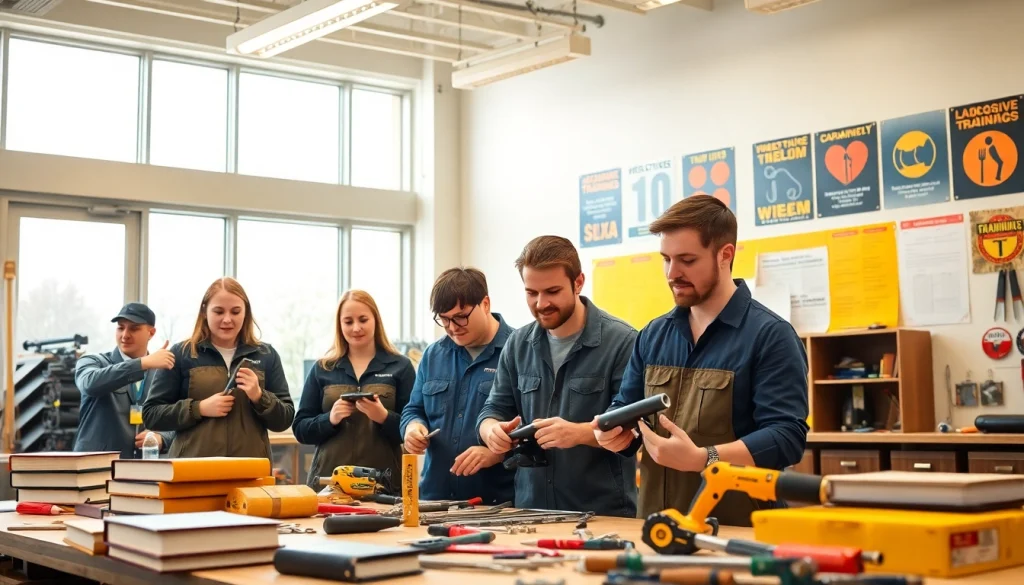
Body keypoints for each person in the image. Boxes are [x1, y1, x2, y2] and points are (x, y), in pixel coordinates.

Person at [592, 194, 809, 525]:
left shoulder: (770, 335)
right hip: (657, 526)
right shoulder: (653, 335)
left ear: (725, 255)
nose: (672, 273)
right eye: (666, 259)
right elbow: (627, 409)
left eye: (687, 260)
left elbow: (786, 437)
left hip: (740, 531)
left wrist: (704, 459)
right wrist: (613, 432)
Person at [477, 236, 638, 517]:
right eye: (531, 293)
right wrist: (491, 431)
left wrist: (578, 433)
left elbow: (633, 429)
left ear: (578, 283)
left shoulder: (622, 342)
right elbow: (493, 410)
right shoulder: (517, 344)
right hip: (529, 511)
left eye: (552, 291)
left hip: (601, 514)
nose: (541, 303)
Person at [143, 277, 294, 460]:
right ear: (205, 311)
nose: (227, 319)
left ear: (246, 313)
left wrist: (259, 396)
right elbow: (151, 414)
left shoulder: (266, 355)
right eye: (219, 311)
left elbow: (285, 419)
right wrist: (199, 408)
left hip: (250, 473)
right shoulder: (182, 354)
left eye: (236, 311)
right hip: (193, 473)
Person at [400, 268, 516, 505]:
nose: (453, 327)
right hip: (435, 499)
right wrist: (412, 429)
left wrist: (497, 454)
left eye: (461, 316)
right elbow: (414, 410)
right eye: (444, 319)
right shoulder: (434, 354)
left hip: (497, 502)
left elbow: (534, 423)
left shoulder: (519, 351)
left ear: (485, 304)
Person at [292, 290, 416, 490]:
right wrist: (330, 419)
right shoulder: (323, 368)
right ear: (340, 325)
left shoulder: (400, 366)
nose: (356, 328)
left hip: (384, 485)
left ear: (375, 320)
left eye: (363, 319)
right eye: (348, 322)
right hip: (328, 485)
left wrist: (383, 416)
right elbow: (300, 429)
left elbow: (412, 428)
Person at [74, 303, 174, 459]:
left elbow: (178, 420)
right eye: (121, 328)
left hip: (143, 471)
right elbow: (89, 384)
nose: (125, 335)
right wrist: (142, 363)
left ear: (151, 333)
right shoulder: (94, 361)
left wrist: (162, 438)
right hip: (95, 470)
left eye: (134, 328)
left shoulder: (161, 373)